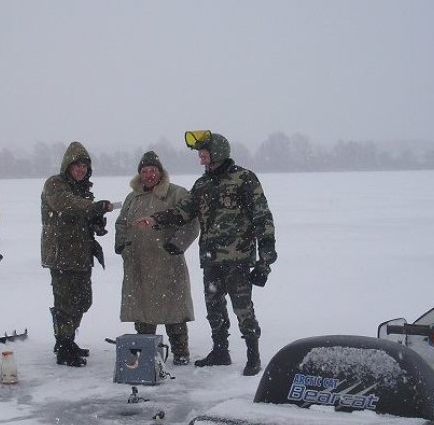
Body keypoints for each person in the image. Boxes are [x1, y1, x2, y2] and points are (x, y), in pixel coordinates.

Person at [136, 131, 276, 376]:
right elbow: (183, 212)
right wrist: (155, 219)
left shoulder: (243, 178)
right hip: (211, 259)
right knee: (214, 308)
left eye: (203, 153)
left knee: (243, 308)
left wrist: (265, 261)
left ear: (217, 152)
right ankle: (220, 351)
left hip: (238, 258)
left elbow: (262, 218)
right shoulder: (202, 184)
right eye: (200, 154)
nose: (200, 158)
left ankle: (253, 355)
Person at [114, 151, 199, 365]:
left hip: (167, 262)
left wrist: (176, 245)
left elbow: (192, 222)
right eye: (144, 171)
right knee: (142, 311)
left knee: (174, 310)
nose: (149, 175)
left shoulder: (177, 193)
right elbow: (122, 223)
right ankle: (147, 351)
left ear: (160, 172)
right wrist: (122, 245)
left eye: (153, 170)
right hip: (138, 263)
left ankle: (181, 351)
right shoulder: (132, 197)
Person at [41, 141, 114, 367]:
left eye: (85, 166)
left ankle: (69, 339)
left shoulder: (83, 191)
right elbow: (67, 205)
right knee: (65, 303)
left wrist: (96, 223)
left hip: (81, 254)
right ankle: (63, 346)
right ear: (68, 166)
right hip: (61, 254)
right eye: (77, 165)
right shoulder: (55, 184)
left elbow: (82, 213)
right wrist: (93, 208)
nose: (81, 170)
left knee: (83, 301)